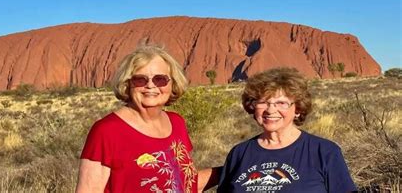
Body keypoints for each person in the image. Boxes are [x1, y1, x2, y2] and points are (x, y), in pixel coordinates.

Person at [76, 44, 218, 193]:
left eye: (160, 79)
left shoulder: (177, 123)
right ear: (128, 83)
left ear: (172, 83)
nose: (150, 85)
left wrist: (232, 167)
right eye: (140, 80)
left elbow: (187, 183)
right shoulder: (107, 131)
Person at [217, 67, 357, 193]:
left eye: (281, 103)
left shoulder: (324, 151)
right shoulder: (239, 153)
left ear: (298, 109)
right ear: (253, 107)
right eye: (263, 102)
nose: (271, 110)